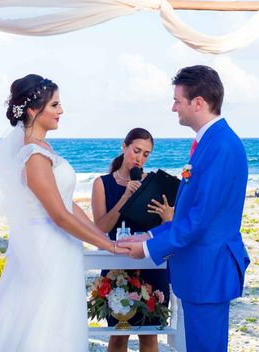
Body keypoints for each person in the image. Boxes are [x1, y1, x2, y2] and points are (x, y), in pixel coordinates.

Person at [0, 74, 127, 352]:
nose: (61, 111)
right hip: (47, 249)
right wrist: (109, 246)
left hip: (62, 244)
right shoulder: (33, 155)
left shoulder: (44, 149)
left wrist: (104, 239)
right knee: (44, 324)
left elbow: (68, 205)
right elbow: (59, 215)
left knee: (59, 320)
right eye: (55, 105)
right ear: (33, 110)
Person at [119, 65, 250, 352]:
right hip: (201, 269)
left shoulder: (221, 146)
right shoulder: (211, 142)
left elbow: (200, 219)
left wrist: (149, 249)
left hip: (208, 269)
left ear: (198, 103)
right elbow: (191, 213)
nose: (173, 107)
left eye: (178, 100)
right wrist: (151, 237)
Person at [91, 128, 173, 352]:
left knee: (150, 335)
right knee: (118, 336)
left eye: (146, 154)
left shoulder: (154, 184)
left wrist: (169, 218)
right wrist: (126, 197)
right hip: (117, 266)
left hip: (150, 263)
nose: (140, 158)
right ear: (124, 147)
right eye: (136, 150)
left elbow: (166, 230)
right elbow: (100, 228)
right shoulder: (102, 183)